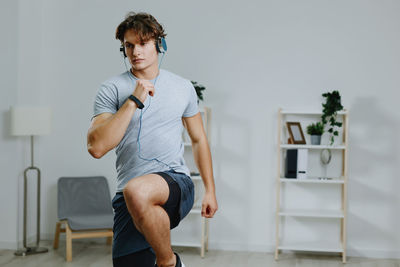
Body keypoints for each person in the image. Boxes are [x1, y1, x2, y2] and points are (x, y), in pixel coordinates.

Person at [87, 12, 218, 267]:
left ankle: (168, 262)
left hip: (176, 181)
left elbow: (199, 139)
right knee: (133, 200)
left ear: (160, 44)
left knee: (138, 190)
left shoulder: (182, 87)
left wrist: (210, 191)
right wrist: (133, 101)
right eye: (129, 45)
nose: (136, 51)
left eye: (143, 43)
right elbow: (96, 147)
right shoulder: (111, 89)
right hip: (128, 195)